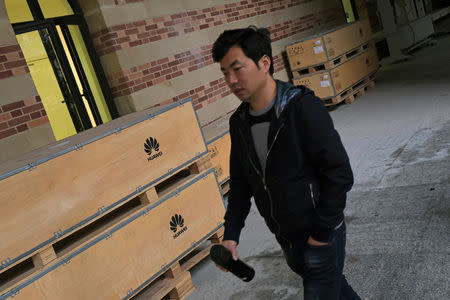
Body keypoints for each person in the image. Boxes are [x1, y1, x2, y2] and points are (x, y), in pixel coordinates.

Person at [211, 26, 361, 300]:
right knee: (339, 291)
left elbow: (339, 173)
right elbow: (242, 182)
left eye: (237, 68)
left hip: (322, 234)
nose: (231, 80)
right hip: (286, 237)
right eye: (224, 73)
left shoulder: (302, 108)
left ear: (264, 63)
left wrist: (321, 235)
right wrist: (231, 234)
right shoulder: (239, 123)